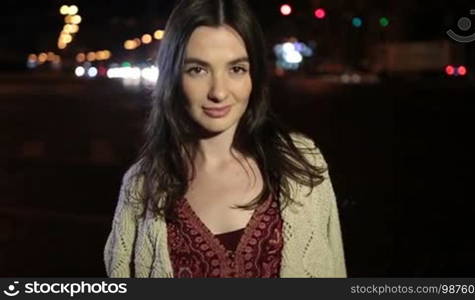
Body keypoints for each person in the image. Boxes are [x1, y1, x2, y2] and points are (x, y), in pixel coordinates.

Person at [104, 0, 346, 278]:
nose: (218, 92)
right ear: (173, 76)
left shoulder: (301, 163)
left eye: (236, 69)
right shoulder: (141, 187)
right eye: (198, 69)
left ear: (254, 74)